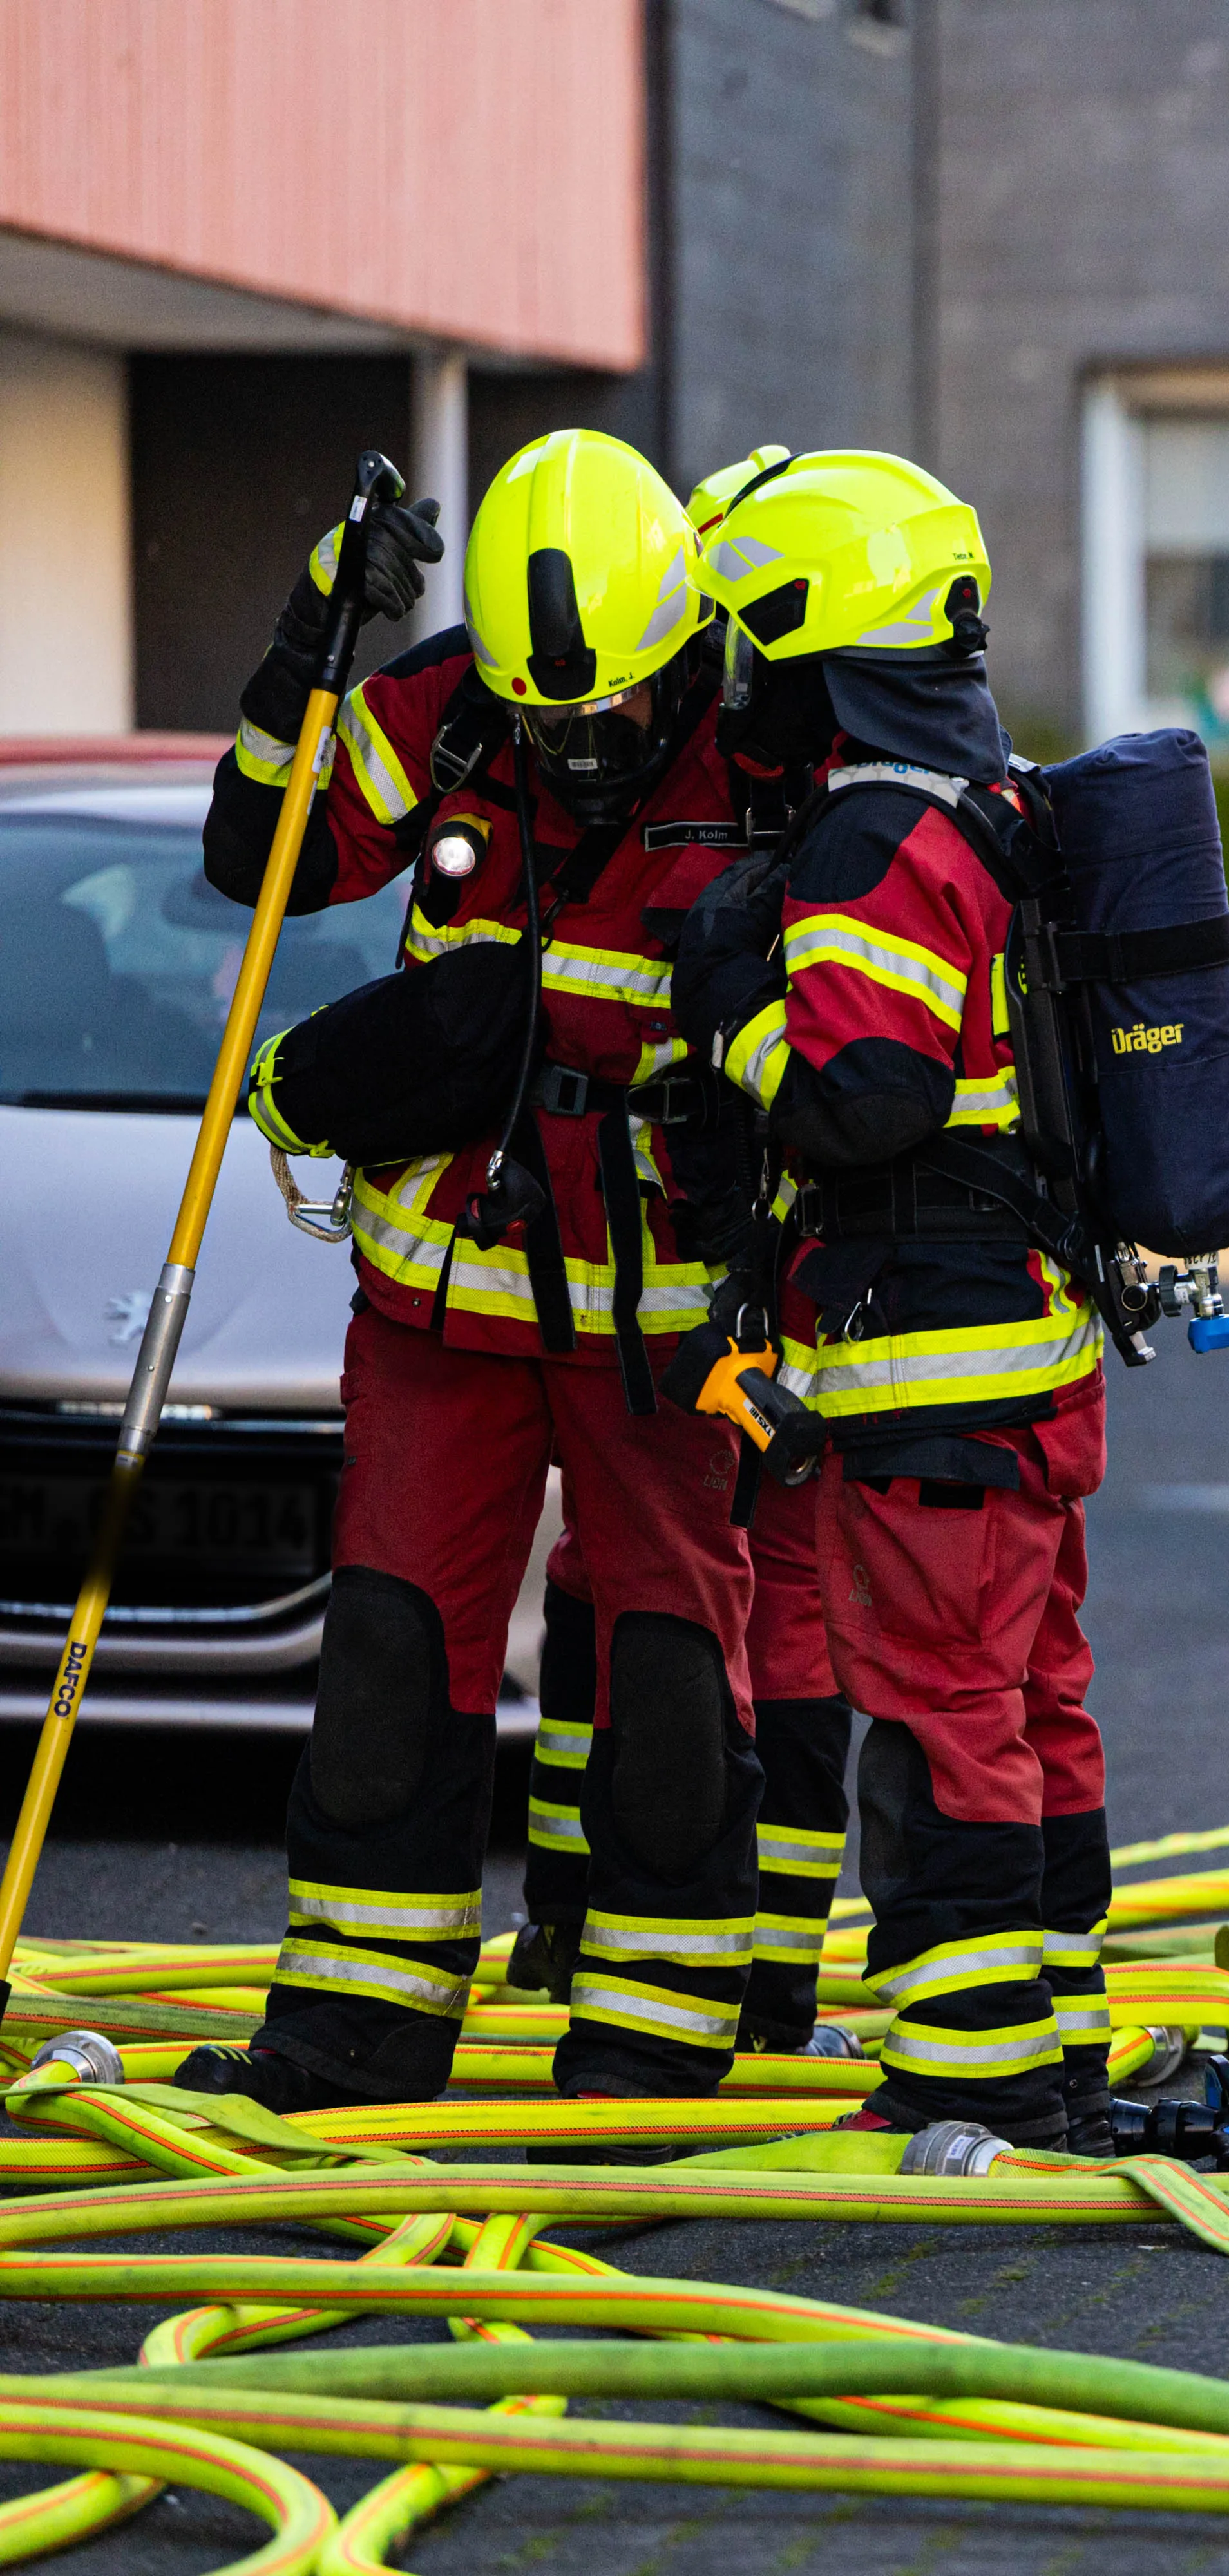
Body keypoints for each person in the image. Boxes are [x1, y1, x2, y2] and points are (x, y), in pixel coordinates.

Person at [178, 430, 767, 2117]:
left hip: (662, 1315)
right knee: (390, 1648)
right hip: (447, 1293)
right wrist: (308, 645)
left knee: (665, 1667)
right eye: (552, 720)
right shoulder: (447, 706)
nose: (585, 747)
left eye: (620, 713)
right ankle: (356, 2031)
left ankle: (649, 2041)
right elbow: (257, 856)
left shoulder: (765, 740)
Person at [681, 450, 1115, 2153]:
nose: (736, 690)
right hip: (1029, 1352)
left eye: (748, 649)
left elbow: (864, 1096)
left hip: (929, 1364)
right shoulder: (995, 798)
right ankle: (1057, 2038)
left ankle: (969, 2071)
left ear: (814, 642)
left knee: (937, 1716)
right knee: (1030, 1698)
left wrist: (733, 1014)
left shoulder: (876, 835)